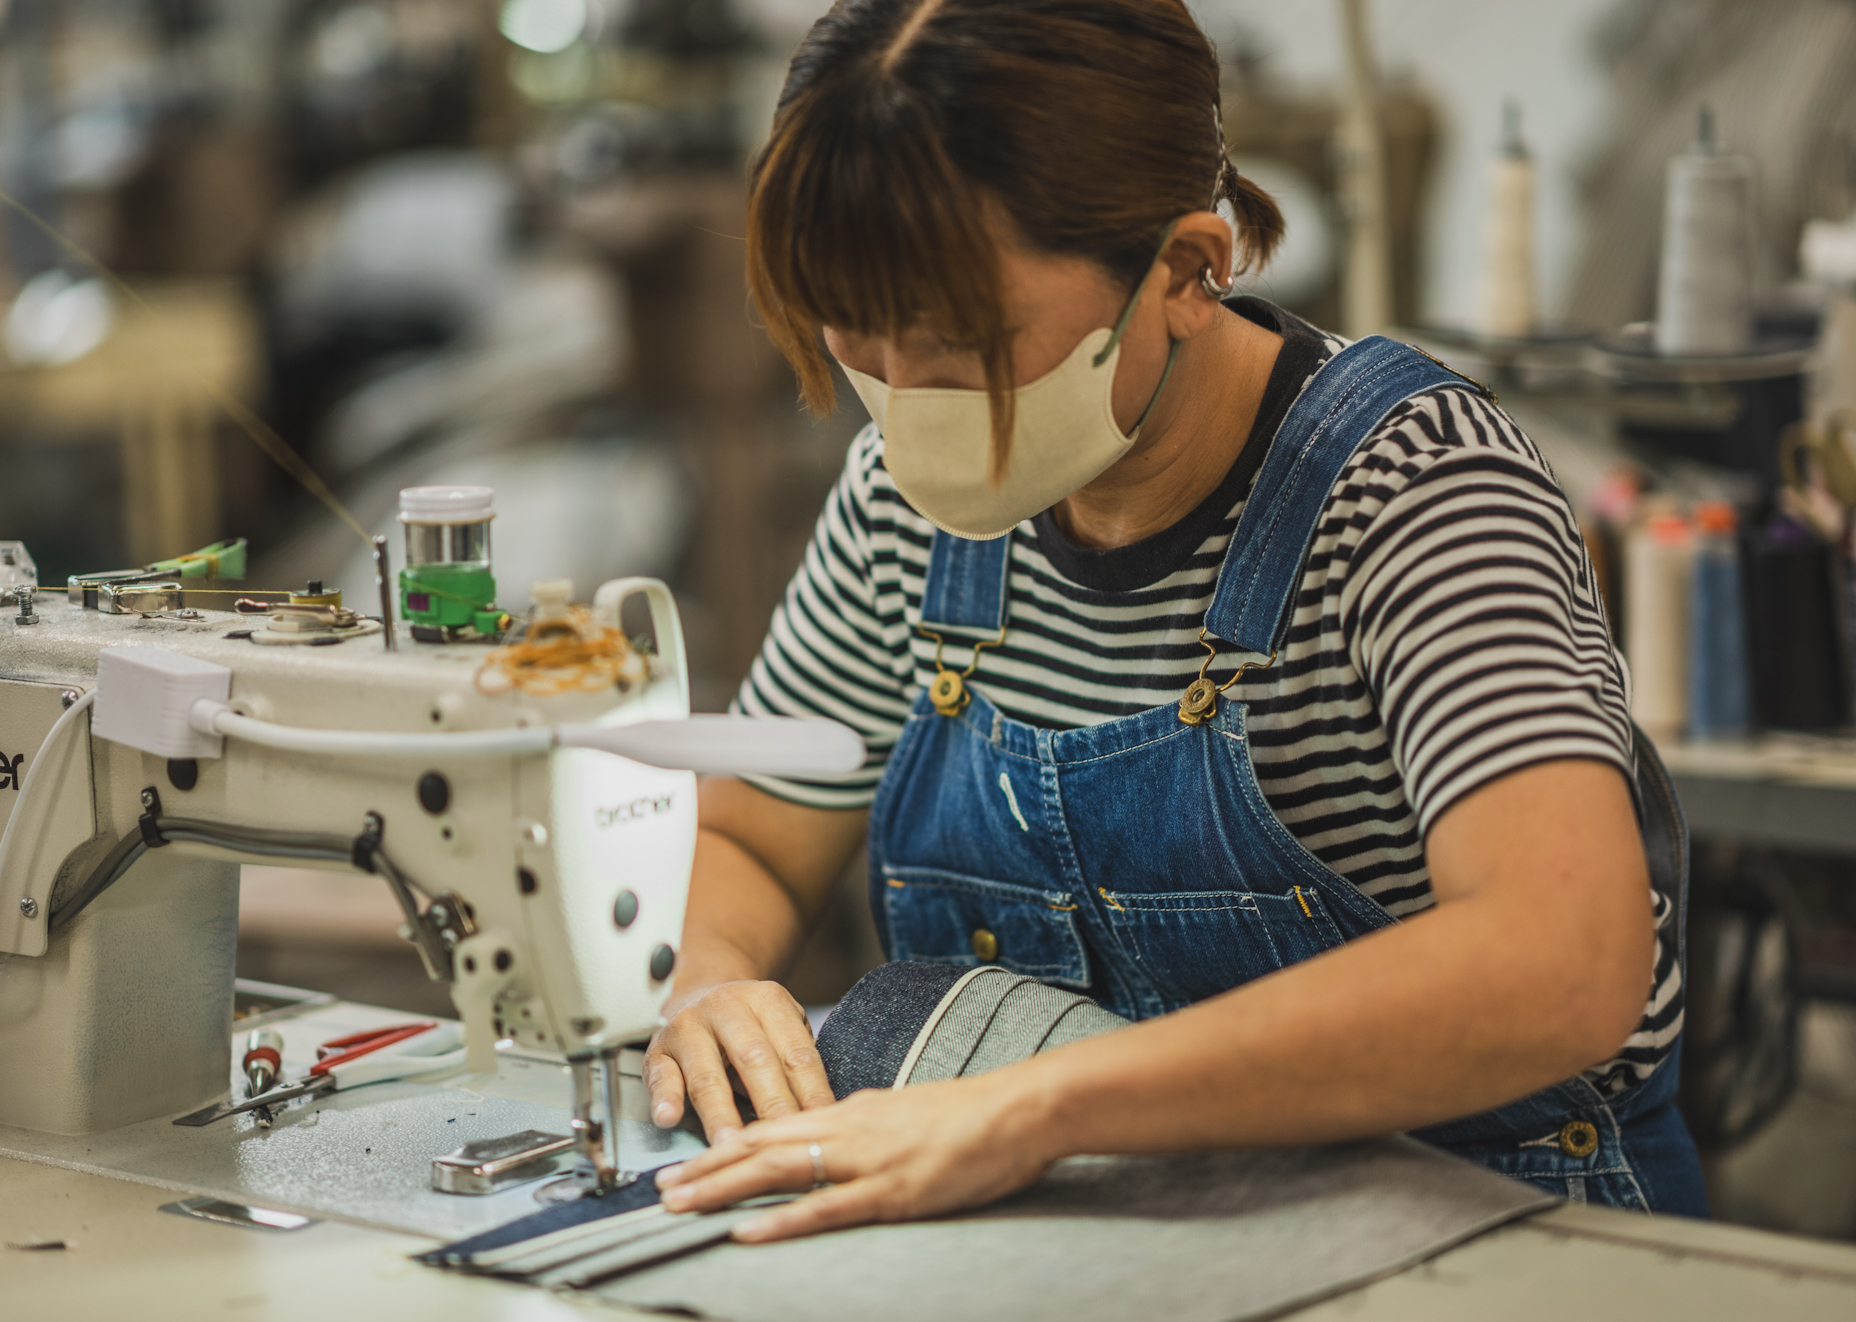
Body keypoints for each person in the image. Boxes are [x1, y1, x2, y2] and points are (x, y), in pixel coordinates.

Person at [643, 0, 1706, 1241]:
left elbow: (1560, 960)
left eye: (959, 338)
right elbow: (755, 839)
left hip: (1488, 1216)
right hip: (1120, 1220)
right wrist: (707, 980)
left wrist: (1039, 1104)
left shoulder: (1411, 489)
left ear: (1186, 270)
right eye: (853, 324)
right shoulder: (901, 504)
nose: (900, 393)